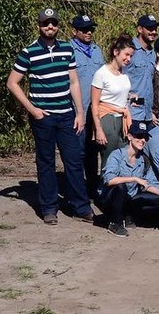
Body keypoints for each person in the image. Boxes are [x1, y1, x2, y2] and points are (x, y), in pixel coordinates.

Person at [7, 7, 94, 225]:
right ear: (39, 26)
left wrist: (80, 112)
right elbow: (12, 83)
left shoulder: (67, 49)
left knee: (73, 161)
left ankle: (81, 207)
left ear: (58, 25)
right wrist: (33, 109)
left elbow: (74, 82)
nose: (50, 27)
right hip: (42, 117)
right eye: (46, 23)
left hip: (67, 115)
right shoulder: (29, 52)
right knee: (46, 162)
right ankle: (49, 208)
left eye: (53, 23)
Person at [100, 120, 159, 237]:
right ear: (129, 136)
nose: (142, 140)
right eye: (138, 136)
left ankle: (128, 215)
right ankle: (114, 223)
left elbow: (146, 183)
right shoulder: (117, 155)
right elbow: (109, 180)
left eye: (145, 137)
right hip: (110, 198)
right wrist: (134, 179)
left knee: (157, 199)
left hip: (129, 197)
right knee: (120, 187)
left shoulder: (143, 160)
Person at [91, 34, 136, 170]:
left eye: (131, 56)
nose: (128, 59)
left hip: (122, 119)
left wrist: (130, 97)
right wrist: (98, 129)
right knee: (109, 158)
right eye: (126, 55)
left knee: (123, 157)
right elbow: (95, 104)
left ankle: (119, 189)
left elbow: (119, 93)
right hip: (107, 119)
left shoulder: (124, 73)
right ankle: (106, 188)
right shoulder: (102, 73)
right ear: (116, 52)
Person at [70, 14, 104, 192]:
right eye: (84, 29)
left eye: (91, 28)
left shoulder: (97, 50)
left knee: (93, 151)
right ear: (74, 31)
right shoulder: (68, 51)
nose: (89, 32)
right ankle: (77, 190)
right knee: (77, 152)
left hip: (96, 110)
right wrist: (77, 112)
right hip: (77, 111)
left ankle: (92, 187)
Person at [124, 14, 159, 123]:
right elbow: (118, 76)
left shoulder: (153, 54)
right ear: (139, 29)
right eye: (150, 28)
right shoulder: (129, 49)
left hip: (148, 114)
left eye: (155, 29)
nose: (154, 32)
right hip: (132, 113)